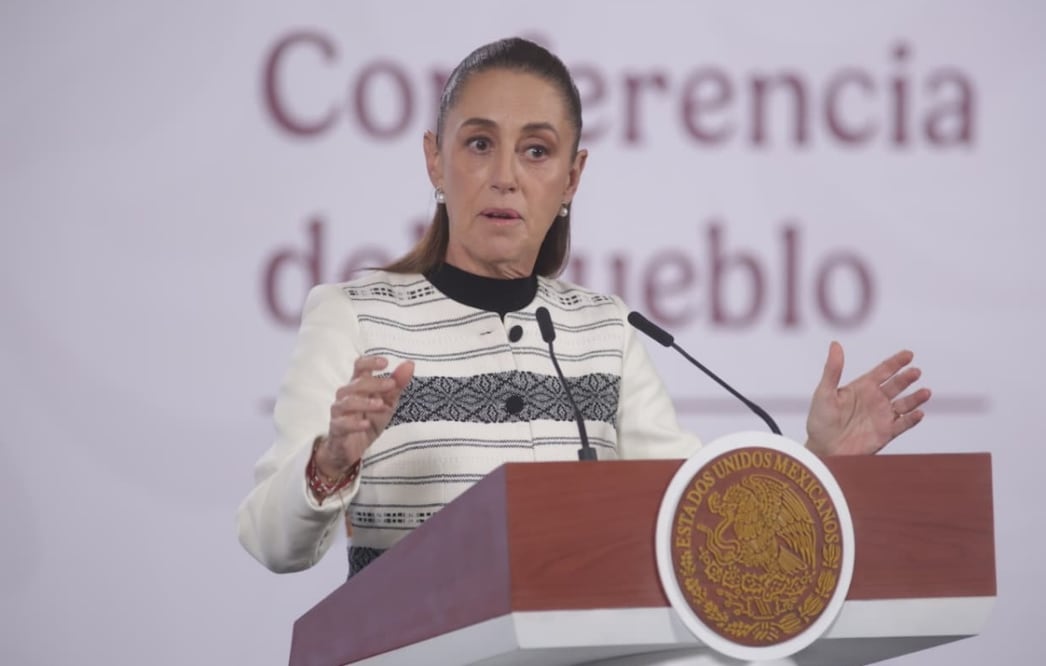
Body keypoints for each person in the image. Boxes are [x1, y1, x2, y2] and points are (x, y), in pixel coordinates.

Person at [236, 37, 930, 577]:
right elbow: (271, 543)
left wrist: (816, 458)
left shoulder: (606, 331)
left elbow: (693, 517)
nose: (504, 174)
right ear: (434, 161)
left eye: (536, 151)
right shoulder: (353, 316)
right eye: (478, 144)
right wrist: (330, 461)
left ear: (572, 176)